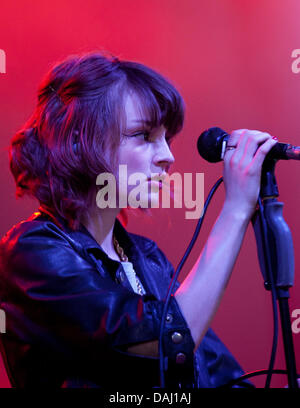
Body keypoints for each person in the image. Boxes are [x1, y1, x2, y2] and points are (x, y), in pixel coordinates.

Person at [0, 51, 277, 388]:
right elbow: (165, 340)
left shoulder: (147, 258)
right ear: (77, 141)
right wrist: (234, 211)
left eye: (167, 138)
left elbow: (218, 376)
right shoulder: (32, 253)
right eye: (145, 136)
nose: (168, 156)